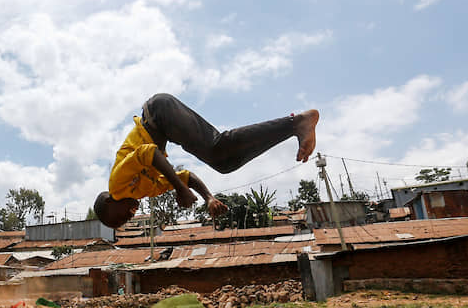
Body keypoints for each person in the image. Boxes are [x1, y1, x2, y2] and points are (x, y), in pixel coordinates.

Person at [94, 93, 319, 228]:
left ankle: (297, 123)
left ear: (109, 203)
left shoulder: (117, 185)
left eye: (119, 219)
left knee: (218, 151)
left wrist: (179, 189)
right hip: (163, 120)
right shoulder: (144, 190)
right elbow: (187, 177)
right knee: (224, 162)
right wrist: (208, 198)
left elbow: (149, 153)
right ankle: (294, 126)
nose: (128, 217)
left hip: (158, 113)